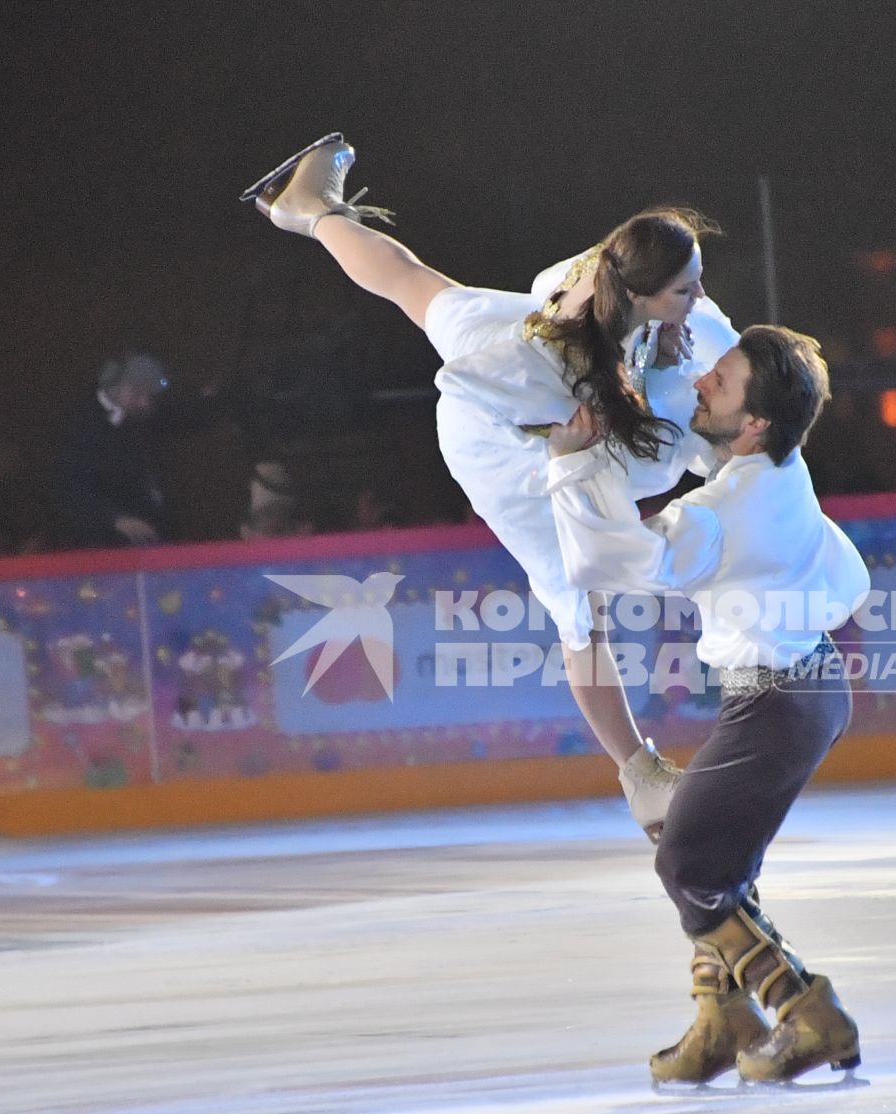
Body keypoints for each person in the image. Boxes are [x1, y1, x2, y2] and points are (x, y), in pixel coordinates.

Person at [247, 133, 737, 836]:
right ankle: (639, 772)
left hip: (562, 386)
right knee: (579, 600)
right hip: (504, 445)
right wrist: (575, 436)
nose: (696, 298)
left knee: (419, 284)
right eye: (684, 290)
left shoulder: (628, 295)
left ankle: (310, 210)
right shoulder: (530, 360)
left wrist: (659, 349)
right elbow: (478, 386)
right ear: (637, 290)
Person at [543, 326, 871, 1085]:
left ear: (754, 421)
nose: (700, 385)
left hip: (779, 704)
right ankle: (720, 1022)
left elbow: (607, 559)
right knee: (724, 862)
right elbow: (848, 579)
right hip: (808, 688)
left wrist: (570, 465)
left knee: (689, 862)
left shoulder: (724, 512)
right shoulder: (782, 472)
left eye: (717, 382)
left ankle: (804, 1012)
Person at [55, 352, 175, 549]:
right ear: (114, 385)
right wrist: (114, 520)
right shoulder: (82, 424)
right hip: (99, 549)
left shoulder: (142, 421)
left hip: (147, 545)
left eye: (150, 396)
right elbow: (68, 487)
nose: (144, 402)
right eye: (137, 393)